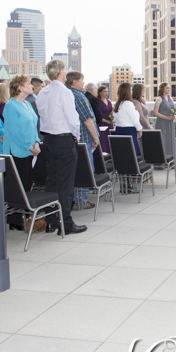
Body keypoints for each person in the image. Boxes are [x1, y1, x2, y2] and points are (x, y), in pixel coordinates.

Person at [35, 59, 87, 234]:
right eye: (64, 69)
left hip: (48, 140)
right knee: (66, 184)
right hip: (64, 140)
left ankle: (51, 220)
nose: (65, 72)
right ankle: (65, 222)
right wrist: (76, 136)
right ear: (60, 72)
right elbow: (72, 118)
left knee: (52, 181)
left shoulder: (42, 92)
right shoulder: (64, 92)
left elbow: (41, 115)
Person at [68, 72, 101, 208]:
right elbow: (88, 119)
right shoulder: (78, 96)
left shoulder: (66, 94)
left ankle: (75, 199)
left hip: (73, 139)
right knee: (86, 169)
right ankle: (80, 200)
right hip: (85, 138)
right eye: (82, 80)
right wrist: (95, 136)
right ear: (74, 82)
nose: (83, 83)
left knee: (77, 169)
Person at [2, 74, 40, 192]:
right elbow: (15, 132)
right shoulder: (10, 105)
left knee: (28, 183)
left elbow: (34, 126)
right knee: (19, 186)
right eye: (28, 84)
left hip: (29, 150)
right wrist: (30, 147)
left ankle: (26, 209)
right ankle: (19, 210)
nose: (32, 86)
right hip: (17, 150)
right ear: (19, 88)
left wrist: (36, 142)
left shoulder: (27, 104)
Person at [113, 82, 143, 157]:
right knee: (130, 154)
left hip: (120, 129)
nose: (132, 92)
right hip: (128, 130)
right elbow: (134, 119)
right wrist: (140, 129)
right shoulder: (127, 103)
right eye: (131, 90)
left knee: (123, 154)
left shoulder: (119, 103)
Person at [153, 82, 176, 159]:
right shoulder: (159, 99)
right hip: (162, 123)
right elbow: (155, 113)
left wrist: (173, 116)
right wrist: (167, 118)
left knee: (170, 141)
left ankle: (171, 160)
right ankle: (162, 161)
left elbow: (173, 109)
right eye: (167, 88)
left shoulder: (170, 99)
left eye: (169, 88)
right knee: (163, 141)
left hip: (170, 123)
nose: (169, 89)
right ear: (162, 89)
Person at [96, 84, 116, 154]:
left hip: (110, 124)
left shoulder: (109, 101)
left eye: (107, 91)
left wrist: (112, 119)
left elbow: (111, 112)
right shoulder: (98, 102)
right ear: (100, 92)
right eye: (104, 91)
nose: (106, 93)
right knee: (103, 140)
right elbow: (97, 115)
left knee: (109, 139)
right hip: (103, 124)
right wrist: (106, 121)